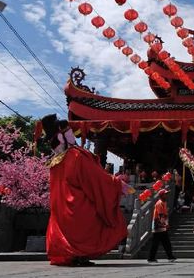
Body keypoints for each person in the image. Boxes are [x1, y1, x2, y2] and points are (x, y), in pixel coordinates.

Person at [40, 114, 133, 266]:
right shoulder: (75, 156)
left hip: (60, 208)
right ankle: (79, 255)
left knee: (67, 232)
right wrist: (117, 184)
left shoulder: (53, 163)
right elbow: (95, 178)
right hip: (77, 206)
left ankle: (72, 256)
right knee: (91, 223)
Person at [147, 189, 176, 263]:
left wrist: (166, 223)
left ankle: (169, 256)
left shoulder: (164, 203)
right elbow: (161, 215)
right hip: (158, 223)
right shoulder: (159, 203)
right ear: (161, 195)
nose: (166, 195)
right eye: (165, 194)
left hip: (160, 223)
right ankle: (168, 256)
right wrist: (165, 224)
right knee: (158, 242)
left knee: (163, 242)